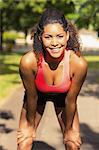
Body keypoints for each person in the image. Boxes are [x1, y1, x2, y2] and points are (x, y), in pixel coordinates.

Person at [17, 7, 87, 150]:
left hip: (64, 98)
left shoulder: (78, 64)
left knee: (73, 144)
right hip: (36, 97)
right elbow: (32, 97)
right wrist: (30, 127)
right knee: (24, 142)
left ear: (67, 35)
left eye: (59, 36)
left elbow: (71, 100)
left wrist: (69, 131)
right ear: (40, 37)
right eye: (48, 37)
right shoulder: (28, 62)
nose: (54, 43)